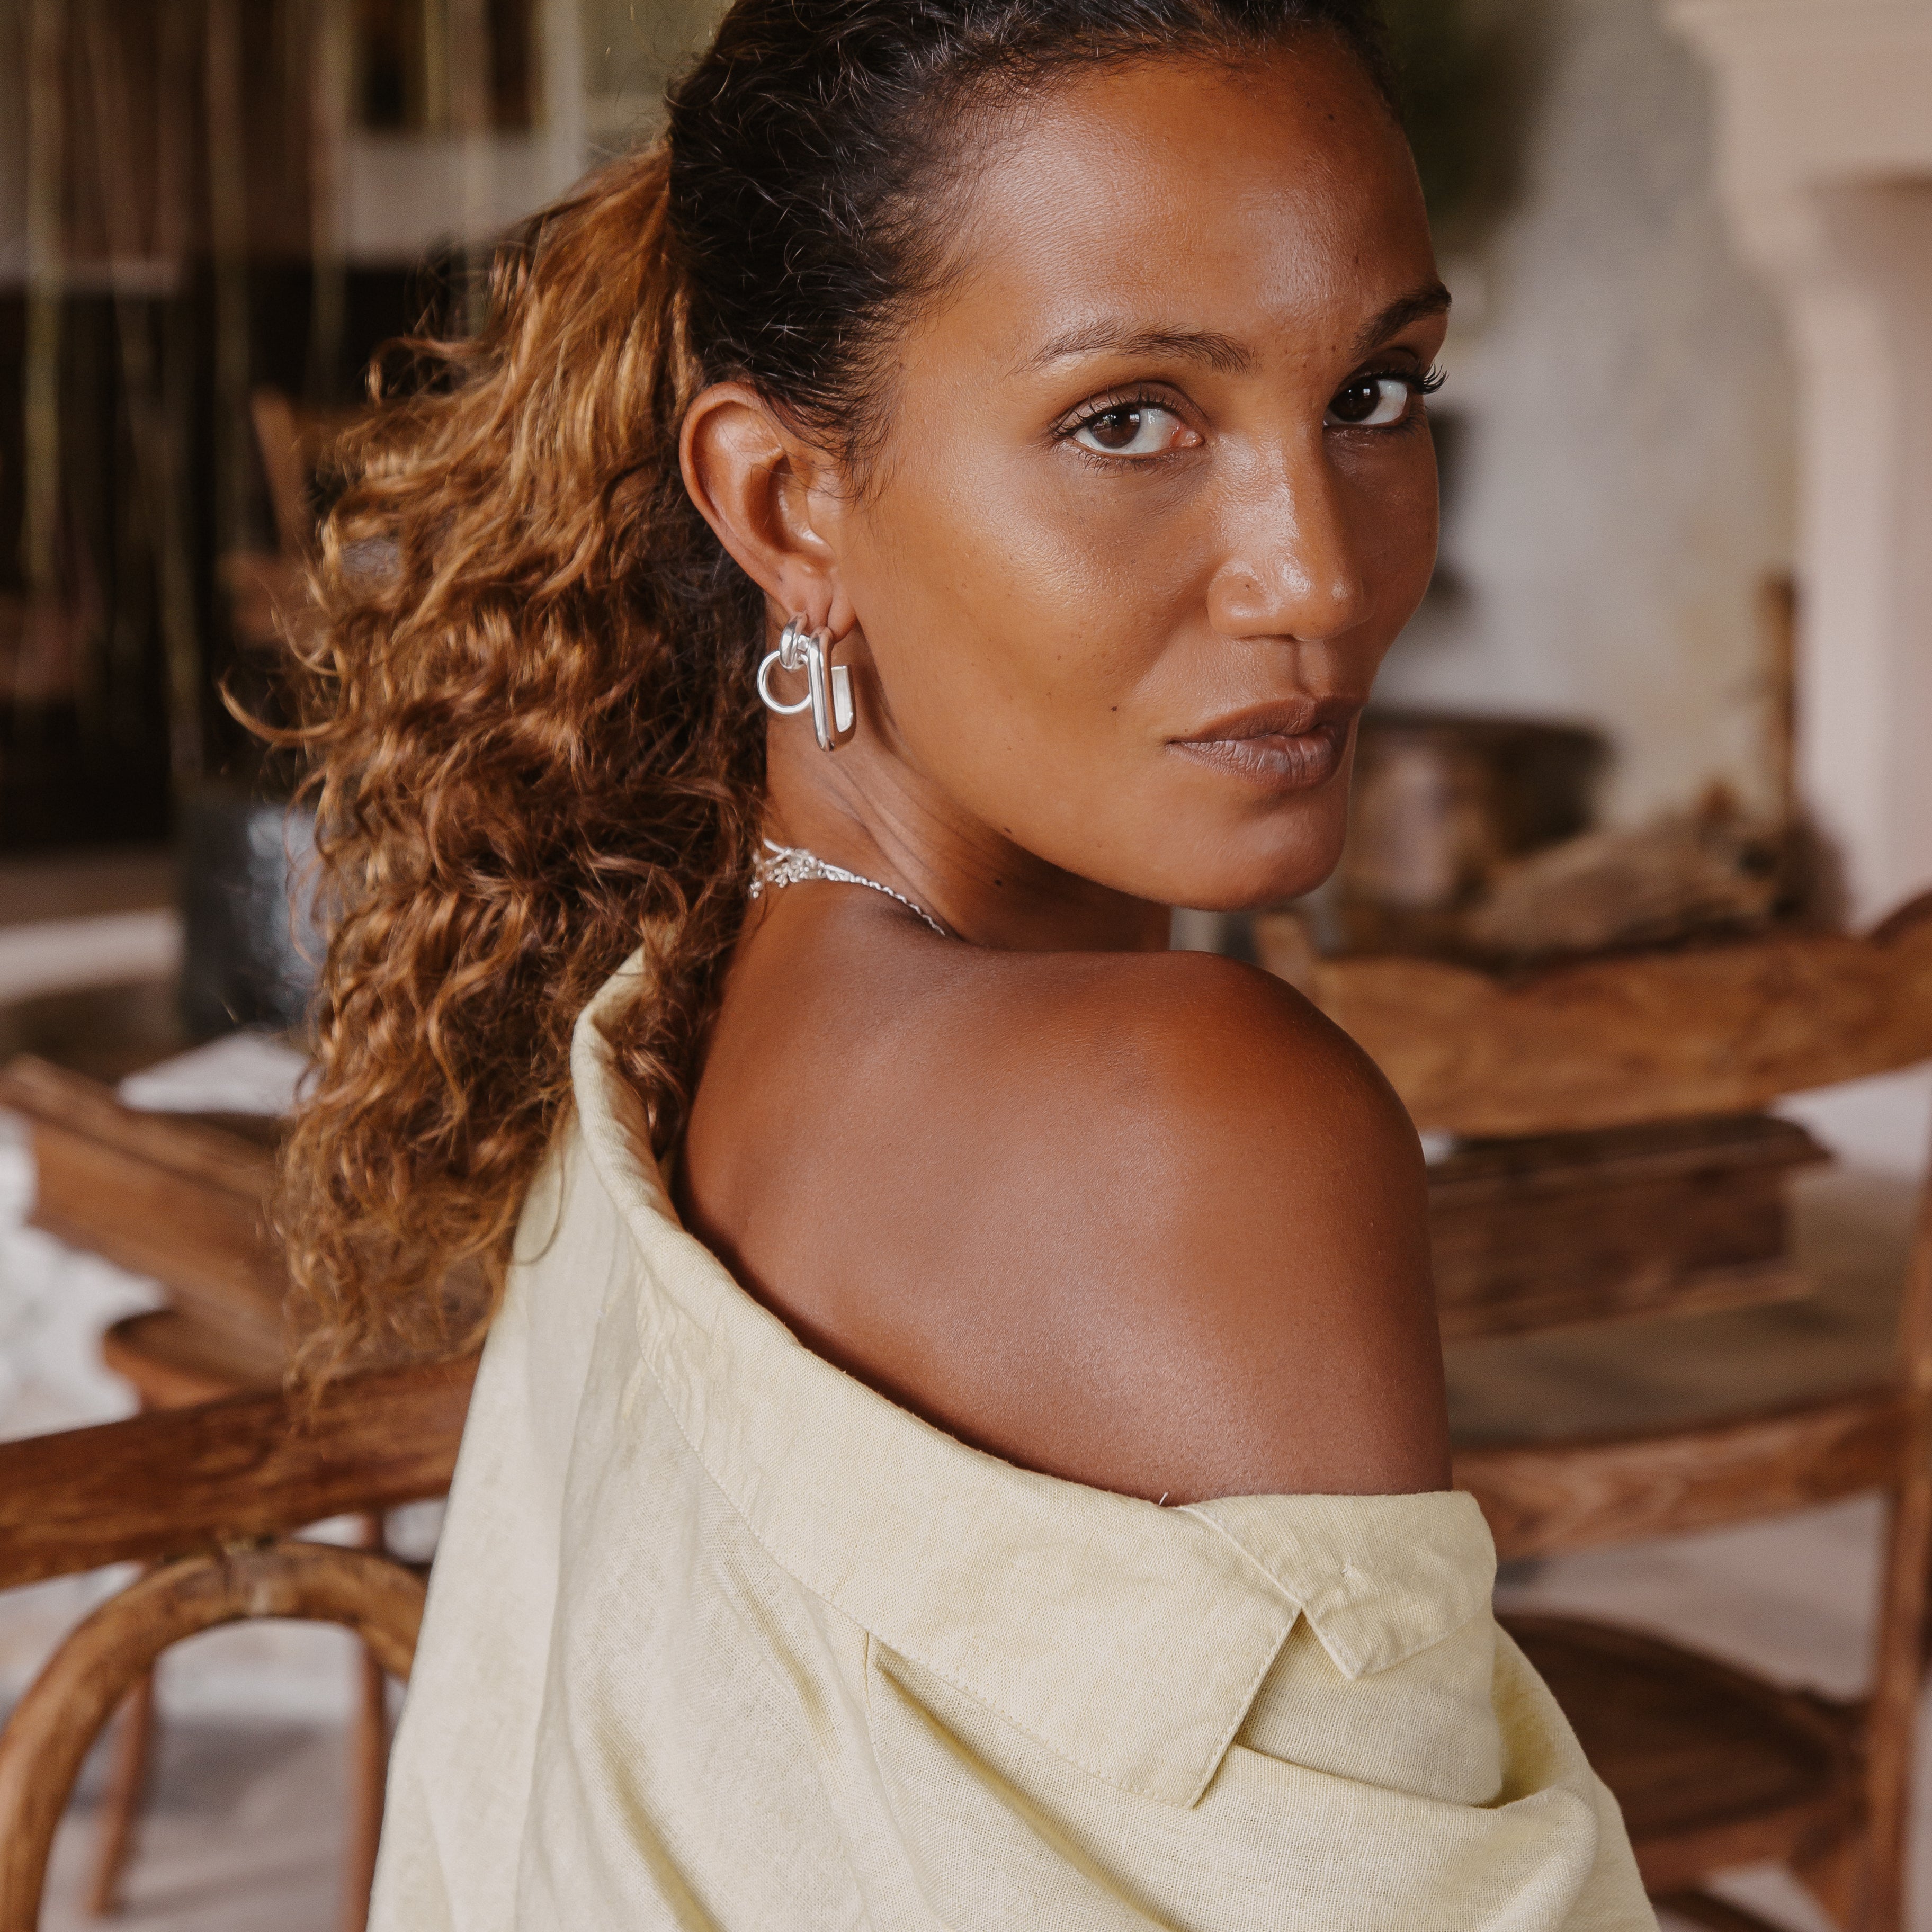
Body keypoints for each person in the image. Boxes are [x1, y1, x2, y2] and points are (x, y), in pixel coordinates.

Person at [284, 1, 1653, 1924]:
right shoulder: (1190, 1121)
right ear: (784, 502)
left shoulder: (674, 1019)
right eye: (1128, 420)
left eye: (1375, 394)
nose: (1319, 576)